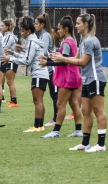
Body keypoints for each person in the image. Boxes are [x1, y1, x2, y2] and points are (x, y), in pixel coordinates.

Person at [51, 14, 107, 152]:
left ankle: (101, 145)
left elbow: (82, 62)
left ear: (86, 25)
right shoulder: (83, 41)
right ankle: (85, 143)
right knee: (86, 111)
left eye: (78, 23)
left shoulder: (89, 41)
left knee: (98, 111)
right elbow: (74, 58)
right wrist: (57, 58)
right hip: (87, 80)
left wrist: (63, 59)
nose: (75, 26)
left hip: (95, 79)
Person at [1, 16, 49, 132]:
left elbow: (27, 61)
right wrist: (14, 53)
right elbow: (28, 57)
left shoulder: (32, 42)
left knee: (37, 101)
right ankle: (40, 126)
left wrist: (11, 58)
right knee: (39, 101)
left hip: (39, 74)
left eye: (22, 31)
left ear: (28, 30)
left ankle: (37, 126)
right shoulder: (33, 40)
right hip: (41, 74)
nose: (21, 33)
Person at [39, 16, 83, 138]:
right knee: (74, 104)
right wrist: (48, 59)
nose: (58, 31)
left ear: (66, 29)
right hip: (74, 76)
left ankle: (56, 131)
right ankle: (78, 130)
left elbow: (63, 61)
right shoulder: (72, 41)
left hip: (67, 78)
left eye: (59, 29)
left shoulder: (66, 43)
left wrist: (47, 63)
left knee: (60, 104)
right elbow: (62, 58)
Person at [35, 13, 58, 127]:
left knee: (54, 94)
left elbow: (43, 52)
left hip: (51, 68)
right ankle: (56, 118)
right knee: (53, 94)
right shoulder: (44, 35)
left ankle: (56, 119)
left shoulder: (45, 35)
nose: (35, 26)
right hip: (49, 68)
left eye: (37, 24)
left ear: (42, 25)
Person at [1, 18, 19, 107]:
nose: (1, 27)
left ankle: (14, 101)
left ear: (7, 27)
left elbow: (4, 48)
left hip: (11, 60)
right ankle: (7, 99)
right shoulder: (5, 36)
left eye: (2, 26)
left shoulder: (9, 37)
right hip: (8, 60)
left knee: (10, 82)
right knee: (7, 81)